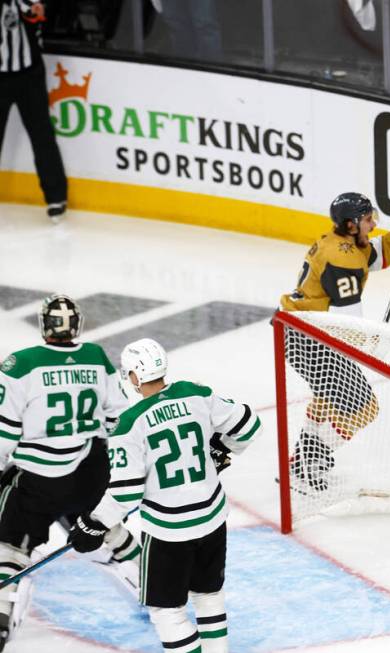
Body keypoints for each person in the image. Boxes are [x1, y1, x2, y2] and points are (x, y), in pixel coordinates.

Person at [68, 337, 261, 653]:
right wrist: (222, 449)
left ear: (133, 376)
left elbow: (126, 492)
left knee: (166, 611)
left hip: (170, 531)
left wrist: (93, 524)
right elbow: (250, 425)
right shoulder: (193, 392)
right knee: (208, 597)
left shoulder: (129, 424)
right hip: (212, 519)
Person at [0, 294, 139, 647]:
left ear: (44, 325)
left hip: (37, 481)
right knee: (104, 521)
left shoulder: (20, 364)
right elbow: (117, 418)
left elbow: (4, 433)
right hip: (86, 474)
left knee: (10, 545)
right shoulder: (95, 357)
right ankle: (154, 584)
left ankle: (1, 616)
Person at [279, 192, 390, 491]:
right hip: (311, 339)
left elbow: (378, 254)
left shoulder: (341, 243)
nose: (373, 223)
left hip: (299, 332)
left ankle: (304, 459)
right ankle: (310, 459)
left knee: (327, 399)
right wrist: (370, 342)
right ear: (351, 226)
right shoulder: (342, 259)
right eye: (367, 219)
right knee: (365, 408)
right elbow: (348, 322)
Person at [0, 0, 68, 221]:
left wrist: (38, 8)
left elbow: (38, 12)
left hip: (30, 75)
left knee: (42, 135)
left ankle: (56, 195)